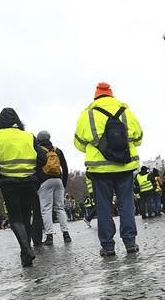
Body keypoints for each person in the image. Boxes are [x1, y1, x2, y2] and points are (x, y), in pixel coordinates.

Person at [74, 82, 143, 256]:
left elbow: (79, 144)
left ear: (96, 97)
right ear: (112, 96)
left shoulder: (87, 115)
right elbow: (139, 137)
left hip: (99, 169)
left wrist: (99, 146)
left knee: (103, 207)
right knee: (126, 204)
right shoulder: (126, 112)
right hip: (125, 166)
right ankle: (130, 242)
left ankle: (108, 246)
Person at [0, 107, 47, 267]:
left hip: (9, 182)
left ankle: (26, 250)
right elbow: (42, 158)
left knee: (15, 218)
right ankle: (26, 253)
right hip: (29, 182)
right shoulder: (28, 137)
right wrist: (32, 169)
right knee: (26, 216)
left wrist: (1, 168)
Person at [35, 130, 72, 244]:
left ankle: (49, 236)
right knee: (60, 208)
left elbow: (35, 169)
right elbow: (65, 168)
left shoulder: (38, 151)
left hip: (45, 182)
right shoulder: (58, 150)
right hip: (58, 180)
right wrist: (63, 183)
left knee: (46, 209)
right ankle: (66, 235)